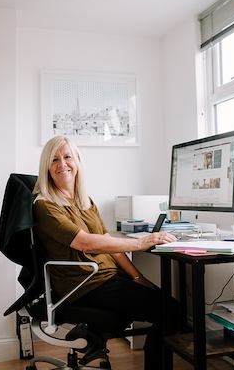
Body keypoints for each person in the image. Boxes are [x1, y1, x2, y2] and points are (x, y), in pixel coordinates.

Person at [33, 135, 178, 370]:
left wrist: (137, 277)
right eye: (54, 160)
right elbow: (87, 244)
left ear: (78, 161)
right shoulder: (45, 205)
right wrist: (141, 242)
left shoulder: (85, 201)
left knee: (166, 305)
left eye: (67, 157)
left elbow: (107, 241)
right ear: (46, 168)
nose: (62, 164)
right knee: (170, 310)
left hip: (106, 278)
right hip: (85, 284)